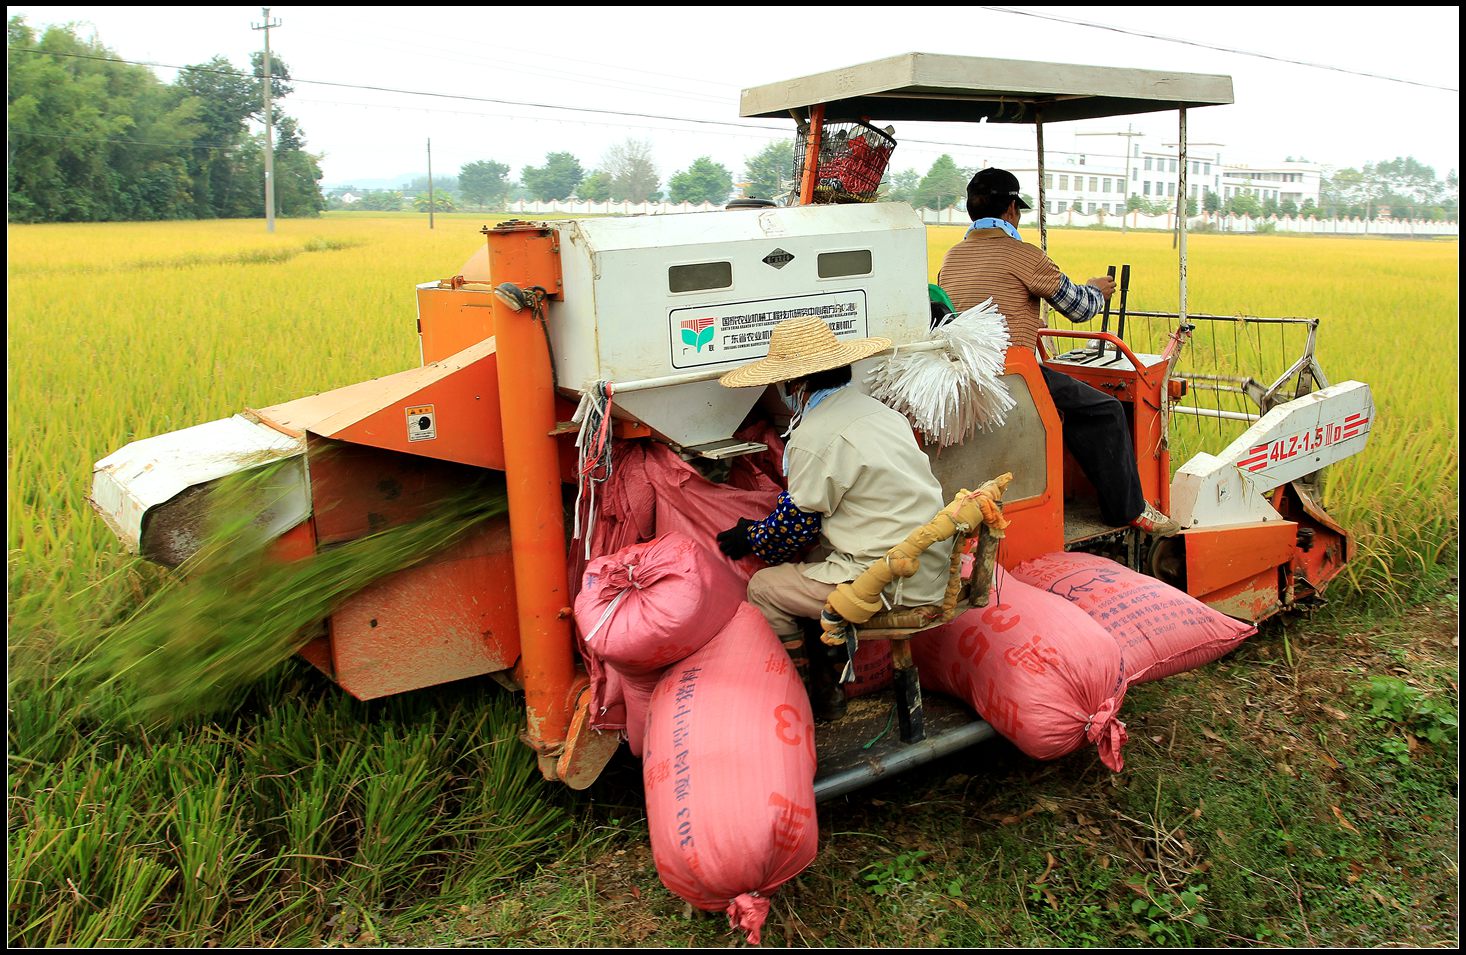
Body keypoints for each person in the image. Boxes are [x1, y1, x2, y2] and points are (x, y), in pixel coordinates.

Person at [714, 316, 953, 720]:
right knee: (811, 563)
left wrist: (750, 536)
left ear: (795, 385)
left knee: (764, 587)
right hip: (929, 564)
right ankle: (830, 686)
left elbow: (792, 531)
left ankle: (802, 699)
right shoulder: (881, 413)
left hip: (889, 582)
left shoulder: (814, 435)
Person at [938, 167, 1181, 537]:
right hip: (1011, 376)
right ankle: (1129, 509)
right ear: (1011, 210)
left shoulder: (952, 258)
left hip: (962, 373)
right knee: (1105, 411)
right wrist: (1097, 290)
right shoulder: (1023, 255)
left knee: (1069, 403)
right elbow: (1079, 309)